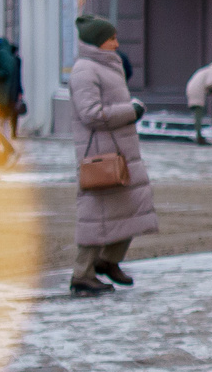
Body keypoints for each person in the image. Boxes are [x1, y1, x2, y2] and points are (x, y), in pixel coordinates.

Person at [66, 16, 157, 294]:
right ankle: (82, 274)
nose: (117, 44)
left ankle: (108, 261)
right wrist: (131, 111)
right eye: (111, 38)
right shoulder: (85, 70)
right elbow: (91, 114)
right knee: (96, 217)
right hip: (100, 156)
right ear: (97, 41)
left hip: (118, 151)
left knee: (131, 206)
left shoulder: (106, 65)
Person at [185, 57, 212, 144]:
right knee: (198, 114)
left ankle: (199, 135)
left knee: (197, 114)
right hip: (197, 92)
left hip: (193, 90)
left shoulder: (207, 70)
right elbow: (209, 83)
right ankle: (199, 137)